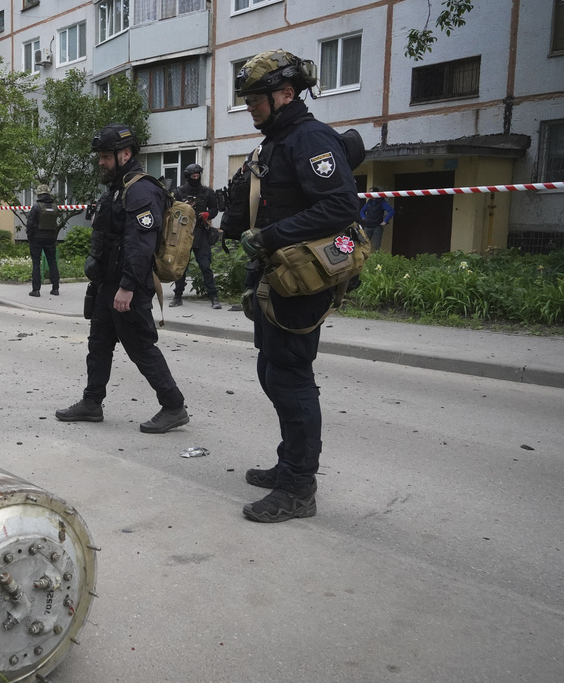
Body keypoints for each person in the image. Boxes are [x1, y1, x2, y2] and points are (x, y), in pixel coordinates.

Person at [231, 50, 359, 522]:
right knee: (272, 372)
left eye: (256, 98)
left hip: (302, 282)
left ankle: (299, 487)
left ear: (286, 93)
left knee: (290, 377)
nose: (250, 106)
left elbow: (340, 207)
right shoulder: (277, 141)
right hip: (277, 277)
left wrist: (269, 236)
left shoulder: (310, 138)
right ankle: (290, 464)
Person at [55, 123, 188, 434]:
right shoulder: (119, 187)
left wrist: (127, 287)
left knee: (141, 347)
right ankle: (91, 403)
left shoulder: (141, 189)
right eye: (99, 156)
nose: (100, 161)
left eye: (105, 156)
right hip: (106, 284)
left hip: (128, 286)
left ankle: (174, 406)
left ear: (125, 154)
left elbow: (141, 244)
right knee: (98, 344)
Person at [170, 163, 222, 309]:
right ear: (188, 176)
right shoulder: (179, 192)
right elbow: (172, 210)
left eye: (198, 176)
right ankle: (177, 296)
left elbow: (214, 209)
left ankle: (214, 297)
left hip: (201, 232)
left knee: (205, 266)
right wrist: (184, 206)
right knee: (181, 266)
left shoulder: (207, 192)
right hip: (184, 234)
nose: (196, 178)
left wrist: (208, 214)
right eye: (193, 176)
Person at [25, 184, 61, 297]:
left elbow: (30, 223)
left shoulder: (36, 206)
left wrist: (30, 236)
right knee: (52, 262)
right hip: (50, 238)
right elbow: (55, 223)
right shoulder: (55, 206)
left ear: (38, 193)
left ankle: (36, 290)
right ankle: (55, 288)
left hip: (37, 238)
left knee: (36, 263)